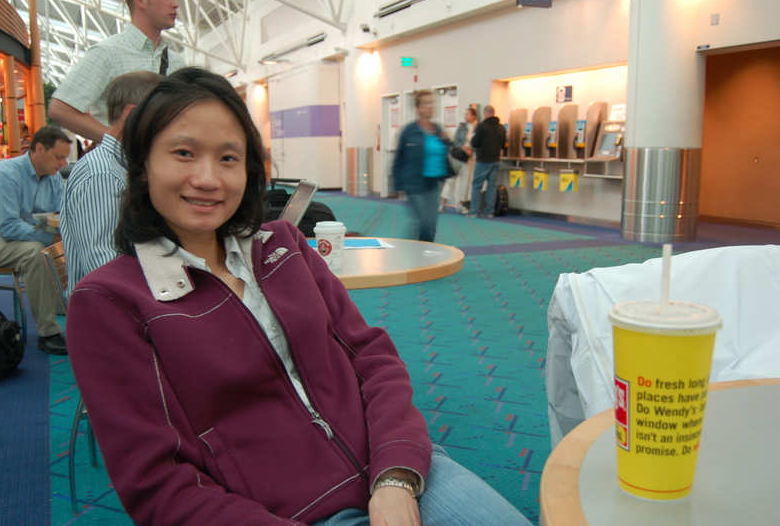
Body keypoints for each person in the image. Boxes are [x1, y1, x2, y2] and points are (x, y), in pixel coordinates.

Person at [66, 68, 532, 526]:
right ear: (142, 167)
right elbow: (160, 485)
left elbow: (373, 358)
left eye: (228, 158)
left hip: (398, 469)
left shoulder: (283, 246)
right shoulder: (110, 302)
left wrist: (395, 475)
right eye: (184, 153)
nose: (208, 178)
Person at [61, 71, 163, 293]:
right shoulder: (102, 174)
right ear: (133, 114)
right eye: (162, 117)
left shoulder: (119, 166)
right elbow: (104, 266)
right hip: (110, 307)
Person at [0, 126, 70, 355]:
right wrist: (53, 237)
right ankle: (48, 333)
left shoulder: (53, 177)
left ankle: (79, 314)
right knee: (36, 252)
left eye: (65, 158)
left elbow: (63, 212)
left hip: (31, 235)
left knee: (70, 245)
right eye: (59, 157)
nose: (63, 164)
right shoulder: (4, 174)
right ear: (39, 148)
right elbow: (8, 228)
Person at [48, 0, 184, 143]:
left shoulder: (176, 62)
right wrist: (119, 142)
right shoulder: (107, 53)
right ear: (140, 0)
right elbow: (60, 109)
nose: (175, 4)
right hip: (122, 157)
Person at [392, 90, 451, 242]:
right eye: (426, 103)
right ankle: (411, 248)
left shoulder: (437, 130)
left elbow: (443, 154)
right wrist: (396, 185)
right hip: (414, 184)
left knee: (430, 224)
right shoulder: (409, 131)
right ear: (418, 108)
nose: (430, 106)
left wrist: (447, 142)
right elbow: (398, 158)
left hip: (433, 183)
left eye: (432, 102)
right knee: (423, 222)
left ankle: (424, 251)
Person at [469, 105, 507, 218]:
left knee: (477, 185)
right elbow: (503, 144)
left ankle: (474, 211)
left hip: (483, 160)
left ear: (486, 113)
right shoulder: (501, 128)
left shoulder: (481, 126)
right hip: (496, 160)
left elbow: (474, 143)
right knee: (492, 186)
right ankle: (489, 211)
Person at [440, 107, 477, 215]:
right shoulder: (461, 126)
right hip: (457, 156)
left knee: (465, 181)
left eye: (467, 114)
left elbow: (478, 142)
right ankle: (442, 203)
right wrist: (464, 147)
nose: (465, 116)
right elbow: (455, 140)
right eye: (465, 114)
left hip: (468, 158)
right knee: (451, 180)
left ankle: (461, 204)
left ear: (473, 116)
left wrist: (471, 150)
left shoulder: (477, 128)